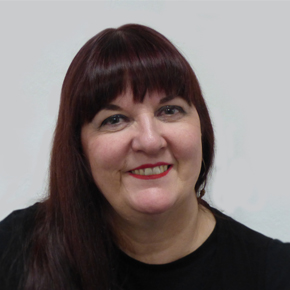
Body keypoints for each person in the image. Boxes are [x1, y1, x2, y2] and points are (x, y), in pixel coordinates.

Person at [0, 23, 289, 290]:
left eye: (169, 110)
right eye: (114, 119)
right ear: (79, 149)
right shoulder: (16, 248)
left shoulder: (274, 273)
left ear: (201, 128)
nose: (150, 141)